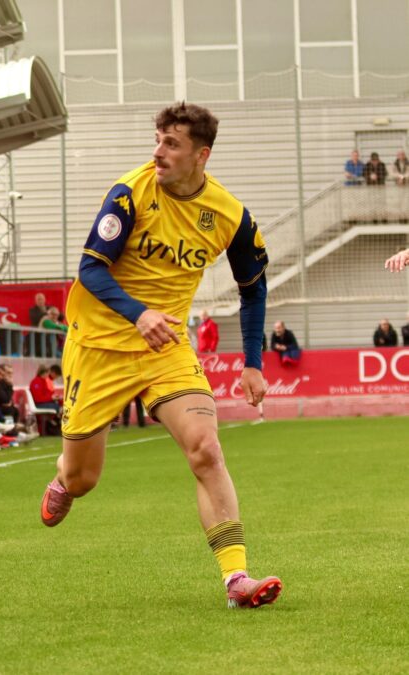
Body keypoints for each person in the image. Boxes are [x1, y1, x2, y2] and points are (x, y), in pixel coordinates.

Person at [40, 102, 282, 610]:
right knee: (84, 480)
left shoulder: (230, 216)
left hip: (164, 348)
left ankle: (236, 579)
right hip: (99, 346)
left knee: (206, 449)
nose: (158, 151)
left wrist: (253, 361)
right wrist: (138, 313)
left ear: (202, 155)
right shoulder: (129, 193)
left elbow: (254, 289)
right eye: (158, 139)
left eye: (172, 144)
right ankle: (64, 475)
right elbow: (91, 270)